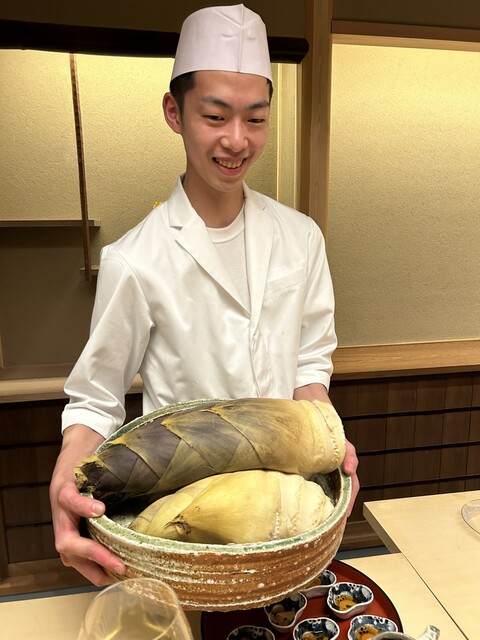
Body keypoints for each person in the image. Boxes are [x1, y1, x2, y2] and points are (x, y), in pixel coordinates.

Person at [50, 3, 359, 587]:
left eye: (256, 119)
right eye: (215, 116)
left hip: (286, 510)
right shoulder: (135, 259)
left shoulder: (301, 238)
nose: (236, 140)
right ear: (175, 112)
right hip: (187, 520)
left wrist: (324, 440)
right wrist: (64, 483)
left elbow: (310, 361)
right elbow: (96, 399)